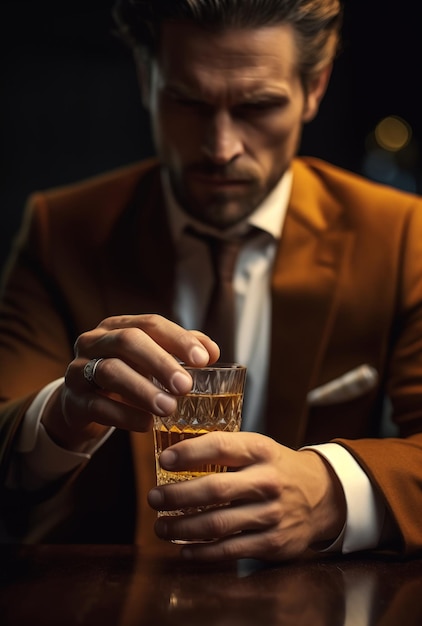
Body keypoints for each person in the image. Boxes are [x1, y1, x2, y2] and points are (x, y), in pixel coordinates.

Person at [1, 0, 421, 561]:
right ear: (146, 78)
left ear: (315, 88)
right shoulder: (62, 230)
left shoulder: (400, 235)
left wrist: (331, 491)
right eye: (188, 102)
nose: (220, 148)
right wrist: (60, 417)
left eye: (258, 106)